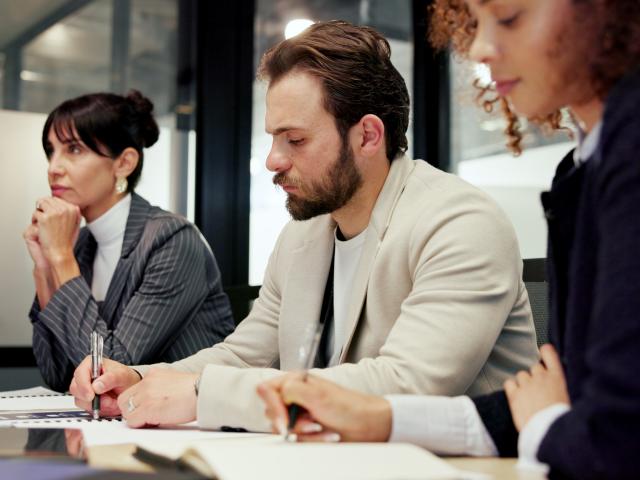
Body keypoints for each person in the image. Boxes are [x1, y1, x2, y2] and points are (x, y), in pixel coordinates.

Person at [69, 21, 537, 432]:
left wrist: (201, 394)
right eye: (273, 138)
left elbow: (407, 386)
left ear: (368, 136)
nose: (273, 160)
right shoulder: (304, 234)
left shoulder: (460, 223)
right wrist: (138, 377)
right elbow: (243, 355)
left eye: (295, 139)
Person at [258, 2, 640, 478]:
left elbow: (610, 436)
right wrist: (382, 419)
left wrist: (546, 420)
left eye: (510, 17)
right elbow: (549, 406)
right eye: (475, 24)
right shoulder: (581, 169)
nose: (478, 48)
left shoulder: (620, 159)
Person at [24, 90, 235, 392]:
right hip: (121, 424)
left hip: (189, 426)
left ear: (124, 163)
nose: (53, 167)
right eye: (51, 150)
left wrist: (61, 258)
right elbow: (57, 375)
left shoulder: (171, 239)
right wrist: (45, 268)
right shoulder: (82, 244)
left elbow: (111, 369)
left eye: (74, 149)